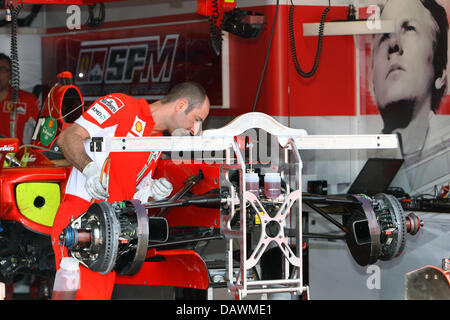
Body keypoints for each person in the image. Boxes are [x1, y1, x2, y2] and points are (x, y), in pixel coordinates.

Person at [50, 81, 210, 299]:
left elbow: (133, 191)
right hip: (80, 220)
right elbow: (68, 137)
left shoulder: (156, 142)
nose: (195, 129)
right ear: (181, 105)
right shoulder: (120, 105)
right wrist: (88, 169)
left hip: (111, 233)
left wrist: (152, 189)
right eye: (197, 120)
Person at [370, 0, 450, 195]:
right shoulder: (360, 169)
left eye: (409, 28)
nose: (394, 43)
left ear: (441, 71)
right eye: (384, 36)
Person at [0, 53, 40, 145]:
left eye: (2, 70)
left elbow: (46, 133)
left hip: (18, 158)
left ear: (11, 74)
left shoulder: (27, 100)